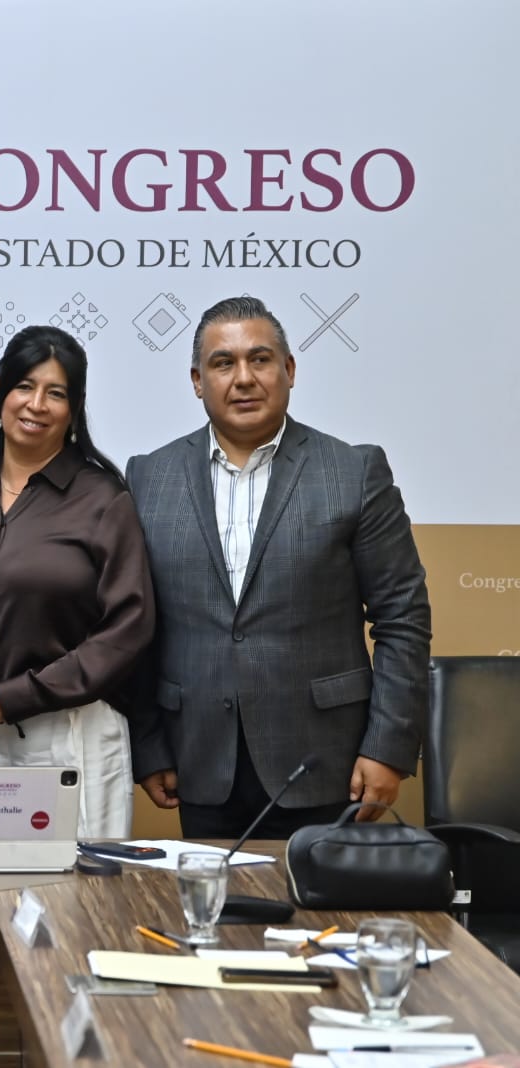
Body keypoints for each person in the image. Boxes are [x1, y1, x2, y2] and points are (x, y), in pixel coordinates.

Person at [127, 296, 431, 838]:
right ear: (197, 381)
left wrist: (387, 747)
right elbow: (135, 628)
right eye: (223, 363)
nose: (243, 378)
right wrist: (148, 745)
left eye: (260, 359)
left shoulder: (353, 471)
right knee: (213, 897)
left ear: (289, 370)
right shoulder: (149, 478)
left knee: (320, 898)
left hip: (328, 761)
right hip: (199, 760)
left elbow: (402, 618)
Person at [0, 325, 154, 838]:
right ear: (0, 390)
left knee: (79, 883)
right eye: (24, 386)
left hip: (68, 724)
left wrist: (28, 693)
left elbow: (130, 625)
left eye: (55, 393)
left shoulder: (102, 497)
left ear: (74, 408)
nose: (36, 404)